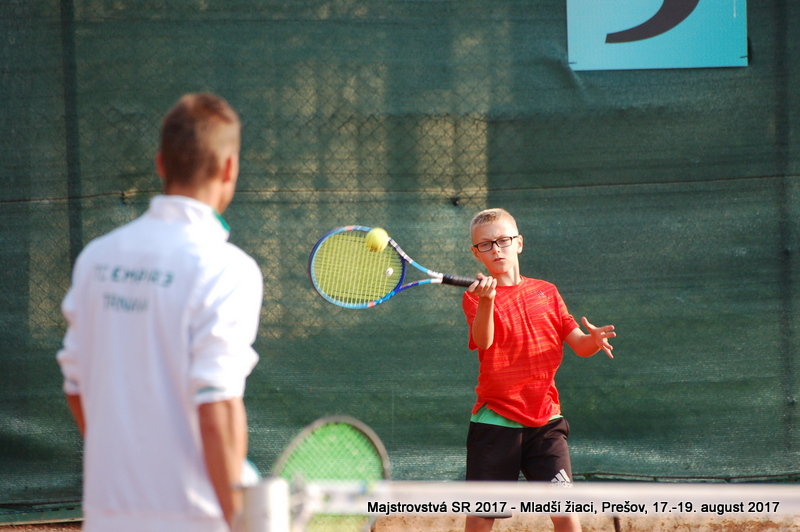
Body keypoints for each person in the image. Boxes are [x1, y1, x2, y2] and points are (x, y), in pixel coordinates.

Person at [56, 93, 263, 532]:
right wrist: (239, 520)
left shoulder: (96, 259)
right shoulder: (228, 269)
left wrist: (132, 471)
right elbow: (217, 403)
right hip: (198, 521)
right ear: (230, 168)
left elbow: (76, 386)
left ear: (161, 164)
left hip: (107, 517)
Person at [462, 208, 615, 532]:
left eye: (503, 240)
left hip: (546, 423)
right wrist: (488, 300)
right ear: (477, 253)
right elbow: (483, 340)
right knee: (480, 518)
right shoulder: (474, 298)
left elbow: (579, 345)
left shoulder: (547, 292)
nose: (496, 249)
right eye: (486, 244)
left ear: (518, 243)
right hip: (495, 422)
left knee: (566, 513)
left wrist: (594, 340)